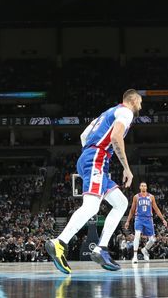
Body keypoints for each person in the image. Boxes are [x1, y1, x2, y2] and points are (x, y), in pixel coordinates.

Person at [45, 90, 142, 274]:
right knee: (91, 207)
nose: (141, 107)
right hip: (97, 159)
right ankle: (59, 242)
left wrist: (90, 154)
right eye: (141, 102)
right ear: (134, 100)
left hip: (91, 158)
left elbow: (83, 136)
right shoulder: (126, 112)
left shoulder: (106, 114)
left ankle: (101, 249)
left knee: (121, 203)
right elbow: (115, 137)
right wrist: (126, 168)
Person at [124, 182, 167, 263]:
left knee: (152, 240)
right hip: (139, 218)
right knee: (137, 236)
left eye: (145, 186)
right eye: (142, 186)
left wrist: (163, 219)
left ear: (146, 187)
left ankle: (145, 249)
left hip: (148, 219)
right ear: (140, 187)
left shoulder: (151, 197)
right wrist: (128, 221)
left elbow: (156, 209)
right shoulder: (136, 197)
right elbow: (132, 210)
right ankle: (135, 256)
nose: (143, 187)